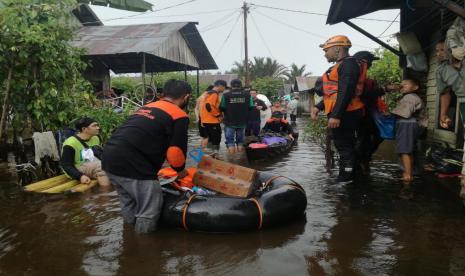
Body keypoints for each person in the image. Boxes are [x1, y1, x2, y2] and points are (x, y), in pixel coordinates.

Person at [102, 79, 192, 234]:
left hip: (109, 158)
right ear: (186, 97)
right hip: (134, 164)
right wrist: (180, 170)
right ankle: (143, 249)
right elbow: (175, 152)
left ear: (163, 94)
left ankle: (129, 240)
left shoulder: (147, 107)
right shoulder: (179, 115)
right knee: (149, 209)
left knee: (129, 203)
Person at [313, 35, 366, 182]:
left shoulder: (348, 65)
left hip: (347, 113)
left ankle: (347, 179)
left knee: (344, 146)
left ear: (337, 49)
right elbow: (335, 93)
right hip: (344, 111)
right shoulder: (342, 65)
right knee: (343, 145)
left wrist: (336, 115)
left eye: (326, 50)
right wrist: (319, 106)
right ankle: (348, 176)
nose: (325, 54)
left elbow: (346, 91)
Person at [391, 78, 428, 182]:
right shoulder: (410, 97)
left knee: (404, 149)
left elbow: (404, 113)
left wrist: (388, 114)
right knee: (409, 149)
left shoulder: (410, 97)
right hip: (413, 125)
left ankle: (407, 175)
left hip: (407, 124)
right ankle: (410, 172)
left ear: (415, 87)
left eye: (406, 84)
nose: (402, 86)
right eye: (401, 84)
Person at [60, 117, 111, 187]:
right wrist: (80, 176)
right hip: (77, 167)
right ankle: (106, 193)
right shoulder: (70, 143)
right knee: (101, 165)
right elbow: (66, 165)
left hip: (92, 165)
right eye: (94, 126)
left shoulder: (96, 138)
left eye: (97, 125)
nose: (98, 128)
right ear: (84, 129)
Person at [220, 79, 254, 154]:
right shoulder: (248, 95)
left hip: (229, 122)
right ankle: (240, 160)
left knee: (230, 142)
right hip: (242, 122)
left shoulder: (226, 95)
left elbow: (222, 107)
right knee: (240, 142)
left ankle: (232, 161)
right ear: (240, 85)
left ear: (231, 86)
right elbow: (251, 106)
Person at [200, 80, 227, 156]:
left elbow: (203, 107)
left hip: (206, 120)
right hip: (212, 121)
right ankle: (215, 154)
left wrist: (202, 119)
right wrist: (218, 115)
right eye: (224, 87)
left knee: (210, 138)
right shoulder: (214, 94)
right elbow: (209, 106)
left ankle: (210, 155)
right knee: (216, 138)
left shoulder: (208, 93)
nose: (224, 89)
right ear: (220, 86)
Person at [194, 85, 213, 149]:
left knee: (203, 137)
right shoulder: (207, 97)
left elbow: (196, 108)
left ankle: (201, 153)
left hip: (200, 118)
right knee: (207, 137)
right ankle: (203, 154)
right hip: (206, 119)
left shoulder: (200, 97)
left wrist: (197, 117)